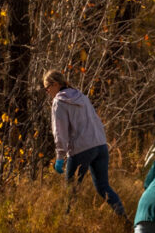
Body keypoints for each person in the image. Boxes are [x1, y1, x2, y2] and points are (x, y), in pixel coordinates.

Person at [44, 70, 126, 218]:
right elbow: (95, 120)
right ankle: (125, 220)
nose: (47, 92)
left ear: (55, 84)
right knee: (103, 187)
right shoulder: (82, 96)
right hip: (100, 145)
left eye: (47, 88)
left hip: (81, 149)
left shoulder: (59, 102)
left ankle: (66, 223)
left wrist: (60, 157)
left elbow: (60, 132)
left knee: (71, 191)